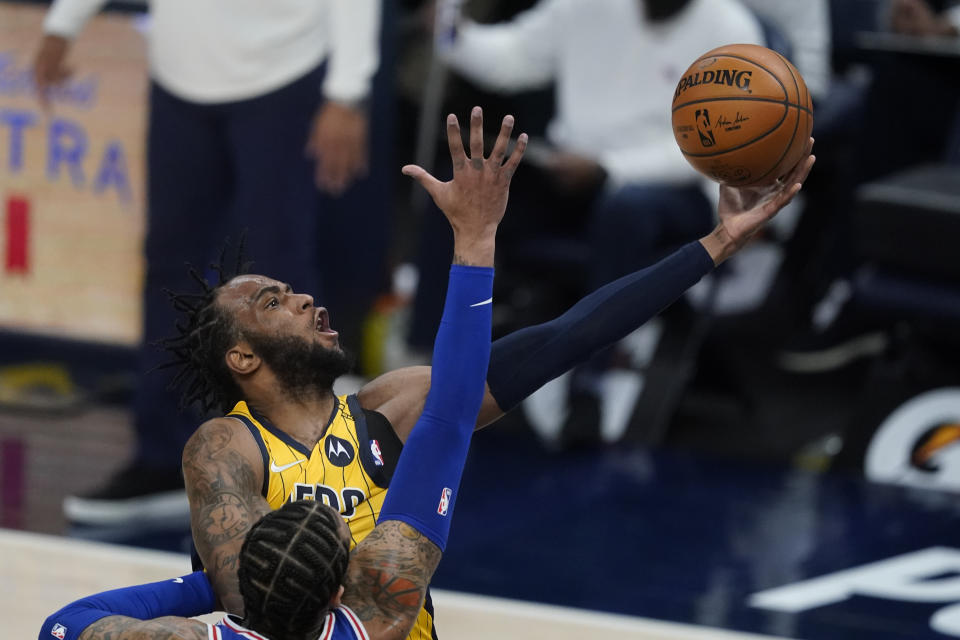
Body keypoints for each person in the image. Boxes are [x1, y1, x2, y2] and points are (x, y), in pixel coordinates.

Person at [170, 100, 813, 640]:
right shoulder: (228, 444)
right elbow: (247, 599)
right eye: (272, 302)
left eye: (292, 290)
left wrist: (718, 243)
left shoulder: (392, 409)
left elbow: (567, 338)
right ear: (243, 358)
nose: (305, 298)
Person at [39, 107, 525, 640]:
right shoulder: (380, 614)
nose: (305, 300)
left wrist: (195, 595)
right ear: (342, 592)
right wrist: (475, 240)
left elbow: (64, 625)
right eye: (273, 302)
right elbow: (449, 418)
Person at [32, 0, 382, 524]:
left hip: (283, 70)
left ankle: (300, 471)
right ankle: (164, 458)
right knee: (170, 269)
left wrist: (348, 89)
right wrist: (63, 22)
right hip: (180, 75)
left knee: (277, 282)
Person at [406, 0, 767, 444]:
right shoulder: (585, 5)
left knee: (627, 209)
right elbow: (514, 56)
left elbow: (726, 145)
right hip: (569, 172)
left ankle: (590, 382)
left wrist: (610, 168)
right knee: (462, 187)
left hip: (674, 188)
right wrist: (453, 35)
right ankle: (422, 364)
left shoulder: (731, 28)